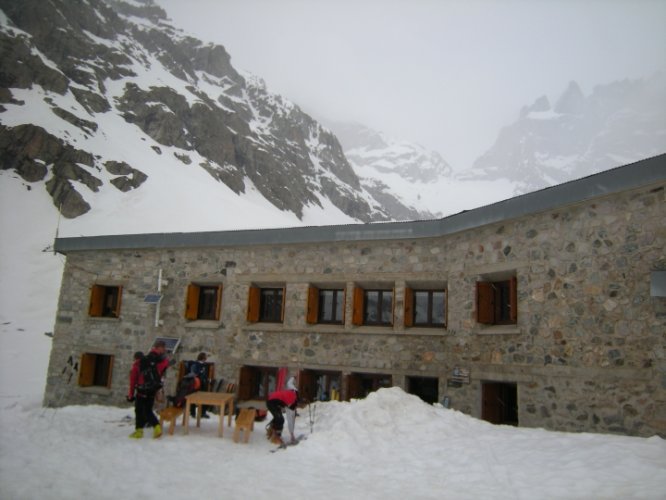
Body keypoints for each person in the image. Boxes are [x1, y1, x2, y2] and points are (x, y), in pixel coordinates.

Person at [127, 341, 170, 439]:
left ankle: (139, 431)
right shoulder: (159, 361)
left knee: (139, 410)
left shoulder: (138, 364)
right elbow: (165, 364)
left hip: (142, 390)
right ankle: (157, 427)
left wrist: (131, 394)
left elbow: (133, 381)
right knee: (148, 410)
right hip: (152, 389)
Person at [266, 377, 298, 445]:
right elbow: (290, 419)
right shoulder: (290, 403)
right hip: (271, 402)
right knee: (280, 419)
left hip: (273, 399)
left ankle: (271, 430)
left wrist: (293, 378)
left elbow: (289, 383)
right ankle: (276, 436)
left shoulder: (294, 391)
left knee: (278, 417)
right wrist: (292, 434)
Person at [188, 352, 210, 418]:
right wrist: (199, 374)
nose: (206, 358)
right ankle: (192, 413)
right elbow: (193, 374)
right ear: (203, 357)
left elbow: (205, 375)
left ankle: (203, 412)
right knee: (193, 397)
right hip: (196, 383)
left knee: (204, 398)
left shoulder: (204, 365)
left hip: (203, 384)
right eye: (205, 356)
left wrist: (208, 380)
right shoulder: (195, 365)